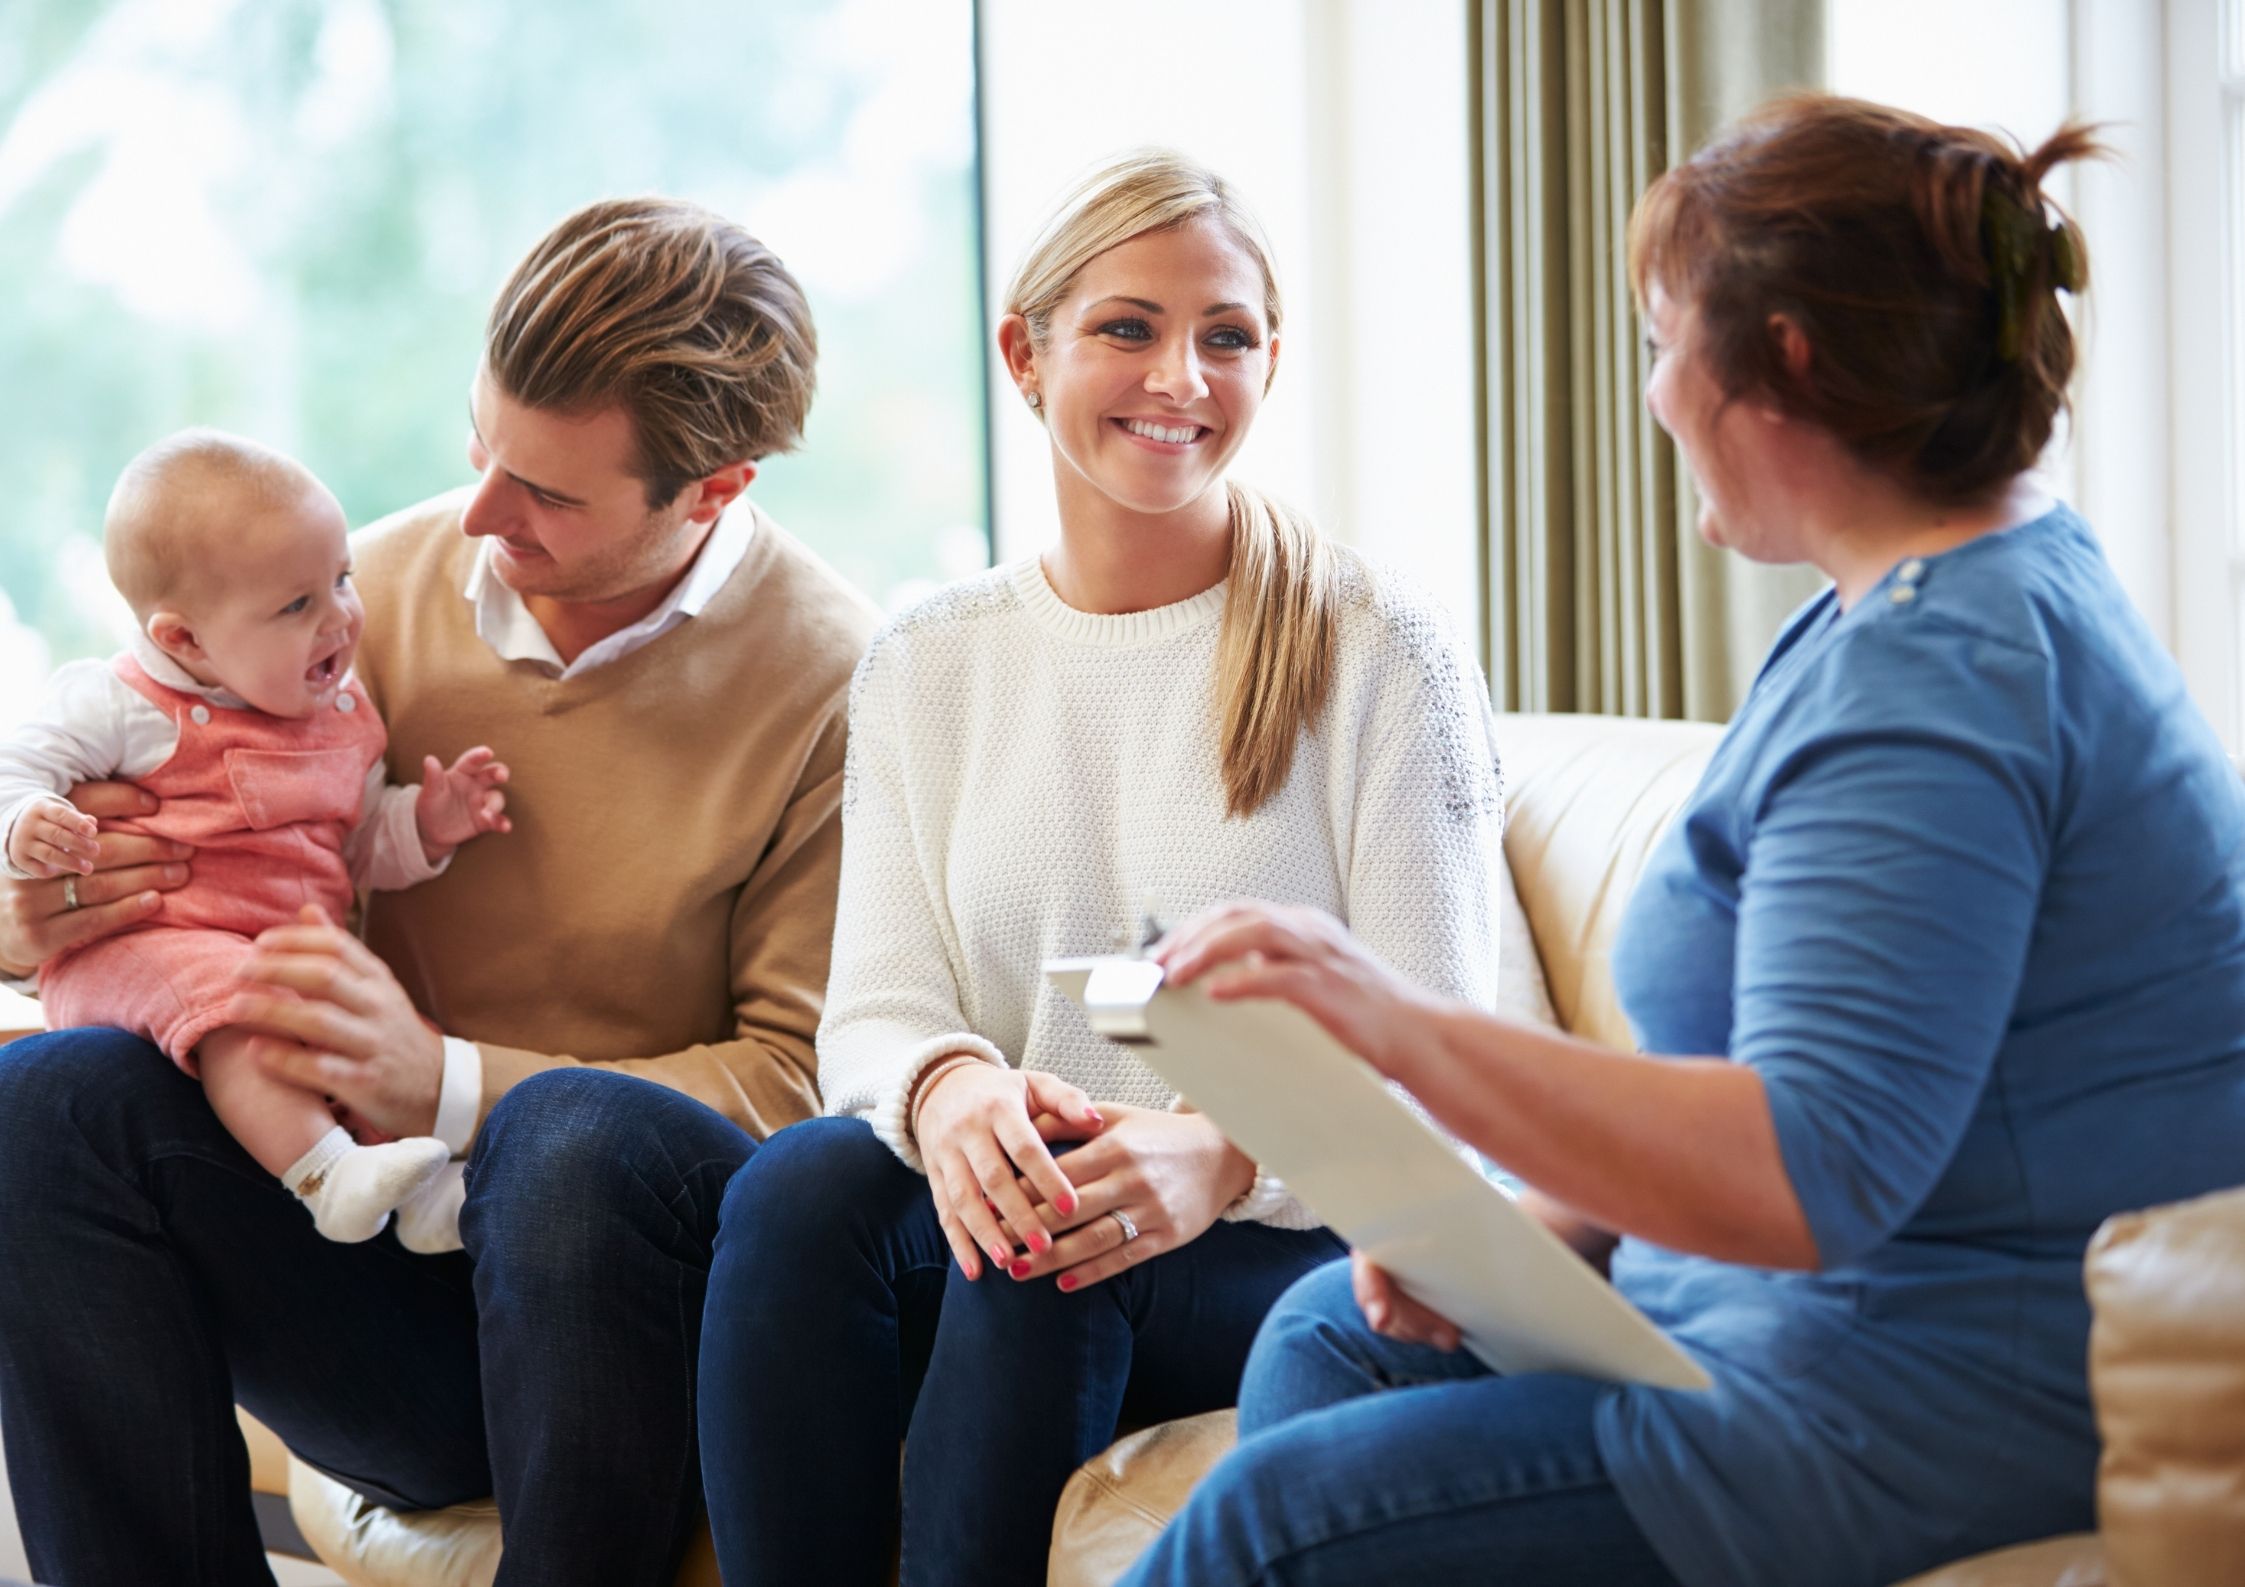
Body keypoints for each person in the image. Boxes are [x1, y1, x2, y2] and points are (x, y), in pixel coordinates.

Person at [1114, 95, 2245, 1587]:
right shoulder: (1909, 604)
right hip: (1781, 1327)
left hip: (1900, 1404)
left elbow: (1810, 1166)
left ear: (1778, 360)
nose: (1650, 394)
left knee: (1266, 1525)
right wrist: (1525, 1225)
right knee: (1331, 1323)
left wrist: (1395, 1021)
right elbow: (1797, 1050)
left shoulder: (1939, 693)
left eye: (1663, 339)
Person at [0, 197, 878, 1586]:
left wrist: (453, 1082)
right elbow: (149, 790)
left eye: (548, 494)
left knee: (570, 1136)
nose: (477, 512)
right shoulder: (345, 598)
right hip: (385, 1282)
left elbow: (805, 1082)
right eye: (484, 448)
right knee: (44, 1102)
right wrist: (34, 910)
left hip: (640, 1311)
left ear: (714, 490)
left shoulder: (841, 680)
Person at [693, 150, 1507, 1587]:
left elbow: (1444, 1069)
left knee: (1051, 1249)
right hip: (1057, 1210)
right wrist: (949, 1091)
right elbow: (873, 1007)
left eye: (1227, 335)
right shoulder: (928, 663)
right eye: (1128, 327)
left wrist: (1225, 1149)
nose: (1180, 376)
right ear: (1025, 352)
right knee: (803, 1190)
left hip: (1294, 1246)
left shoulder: (1380, 649)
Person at [0, 430, 511, 1249]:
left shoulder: (341, 718)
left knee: (347, 1023)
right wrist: (26, 822)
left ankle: (412, 1193)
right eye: (297, 606)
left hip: (271, 949)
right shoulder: (120, 705)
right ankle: (326, 1176)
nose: (341, 615)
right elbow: (14, 766)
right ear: (185, 641)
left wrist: (426, 822)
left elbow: (358, 843)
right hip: (147, 946)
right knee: (246, 1011)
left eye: (341, 579)